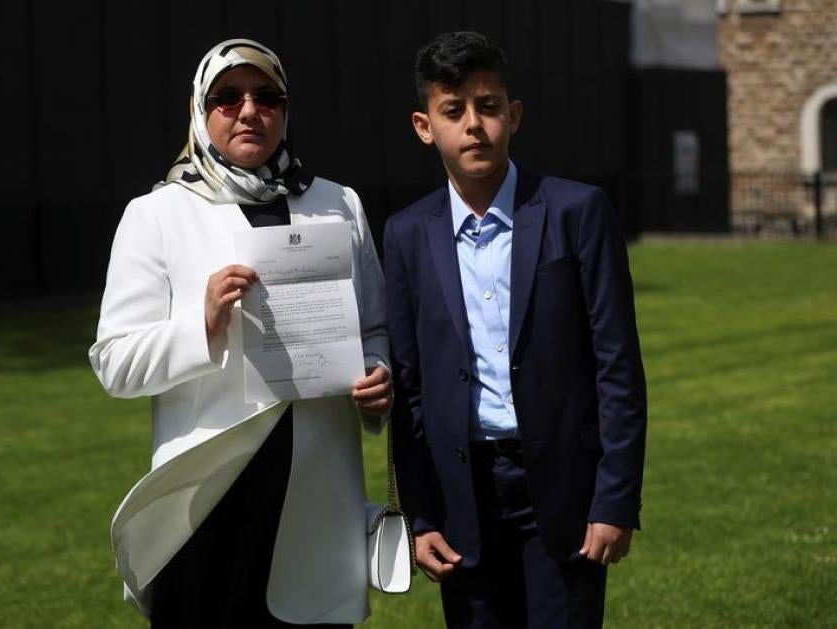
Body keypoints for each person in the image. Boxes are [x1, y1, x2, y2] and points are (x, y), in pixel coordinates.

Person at [89, 38, 391, 628]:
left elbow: (375, 327)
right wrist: (200, 327)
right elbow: (115, 363)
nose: (249, 111)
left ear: (285, 108)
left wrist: (380, 375)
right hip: (208, 496)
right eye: (227, 98)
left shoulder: (338, 204)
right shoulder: (157, 215)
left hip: (316, 492)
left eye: (267, 96)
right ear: (201, 112)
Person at [383, 31, 647, 628]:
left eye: (489, 106)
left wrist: (615, 500)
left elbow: (618, 367)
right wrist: (422, 516)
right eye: (454, 111)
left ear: (514, 114)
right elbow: (411, 387)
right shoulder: (405, 234)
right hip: (462, 498)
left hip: (564, 489)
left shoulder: (577, 212)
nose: (474, 125)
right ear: (426, 126)